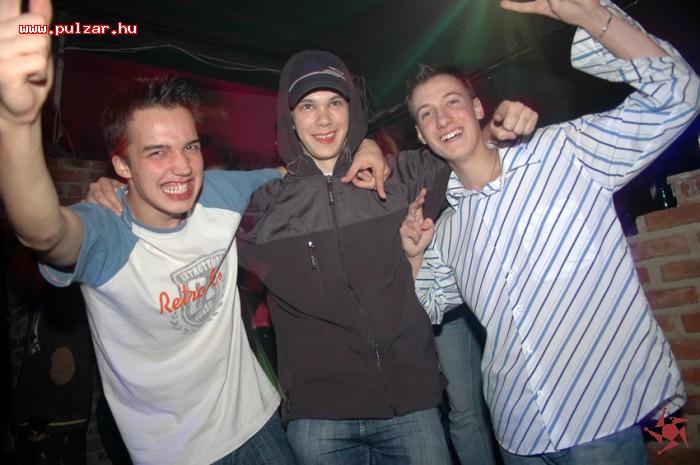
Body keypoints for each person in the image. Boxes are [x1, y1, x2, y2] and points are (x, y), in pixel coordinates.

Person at [400, 0, 700, 463]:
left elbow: (677, 95)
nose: (442, 120)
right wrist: (415, 256)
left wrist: (588, 15)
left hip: (607, 418)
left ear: (477, 108)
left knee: (674, 451)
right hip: (518, 434)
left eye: (452, 102)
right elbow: (430, 305)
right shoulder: (448, 229)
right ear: (421, 136)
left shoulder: (563, 152)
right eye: (426, 114)